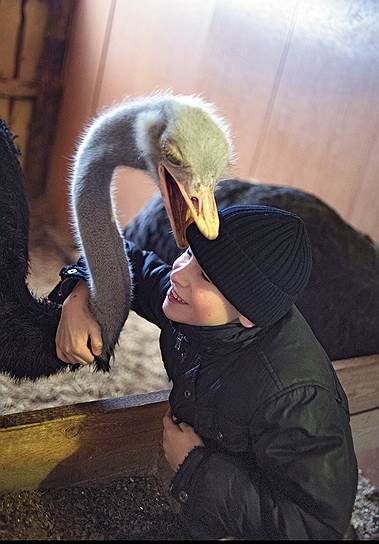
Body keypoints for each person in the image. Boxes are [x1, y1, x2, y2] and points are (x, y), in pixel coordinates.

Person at [49, 204, 358, 539]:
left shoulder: (295, 398)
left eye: (205, 276)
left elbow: (318, 527)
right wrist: (79, 294)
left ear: (247, 313)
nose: (179, 273)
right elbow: (126, 257)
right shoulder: (193, 305)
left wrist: (195, 467)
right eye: (189, 253)